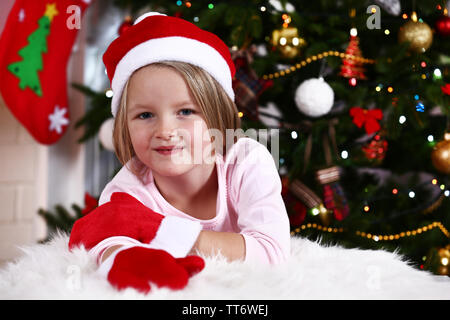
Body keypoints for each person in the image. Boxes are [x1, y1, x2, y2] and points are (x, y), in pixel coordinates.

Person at [76, 12, 290, 283]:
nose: (165, 132)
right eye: (145, 115)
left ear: (217, 115)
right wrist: (122, 257)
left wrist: (165, 234)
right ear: (124, 126)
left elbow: (272, 255)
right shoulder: (127, 190)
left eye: (186, 111)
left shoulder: (246, 162)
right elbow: (109, 246)